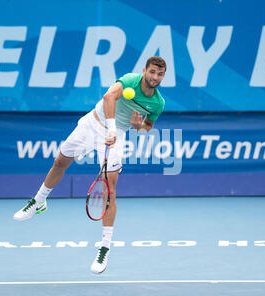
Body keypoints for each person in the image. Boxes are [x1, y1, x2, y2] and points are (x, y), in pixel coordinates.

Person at [13, 56, 166, 274]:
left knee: (109, 190)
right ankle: (39, 201)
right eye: (152, 72)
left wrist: (138, 126)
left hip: (118, 136)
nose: (155, 77)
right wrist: (110, 128)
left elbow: (147, 128)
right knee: (59, 162)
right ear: (144, 71)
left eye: (160, 74)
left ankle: (104, 247)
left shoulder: (157, 103)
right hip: (93, 124)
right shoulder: (131, 81)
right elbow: (108, 97)